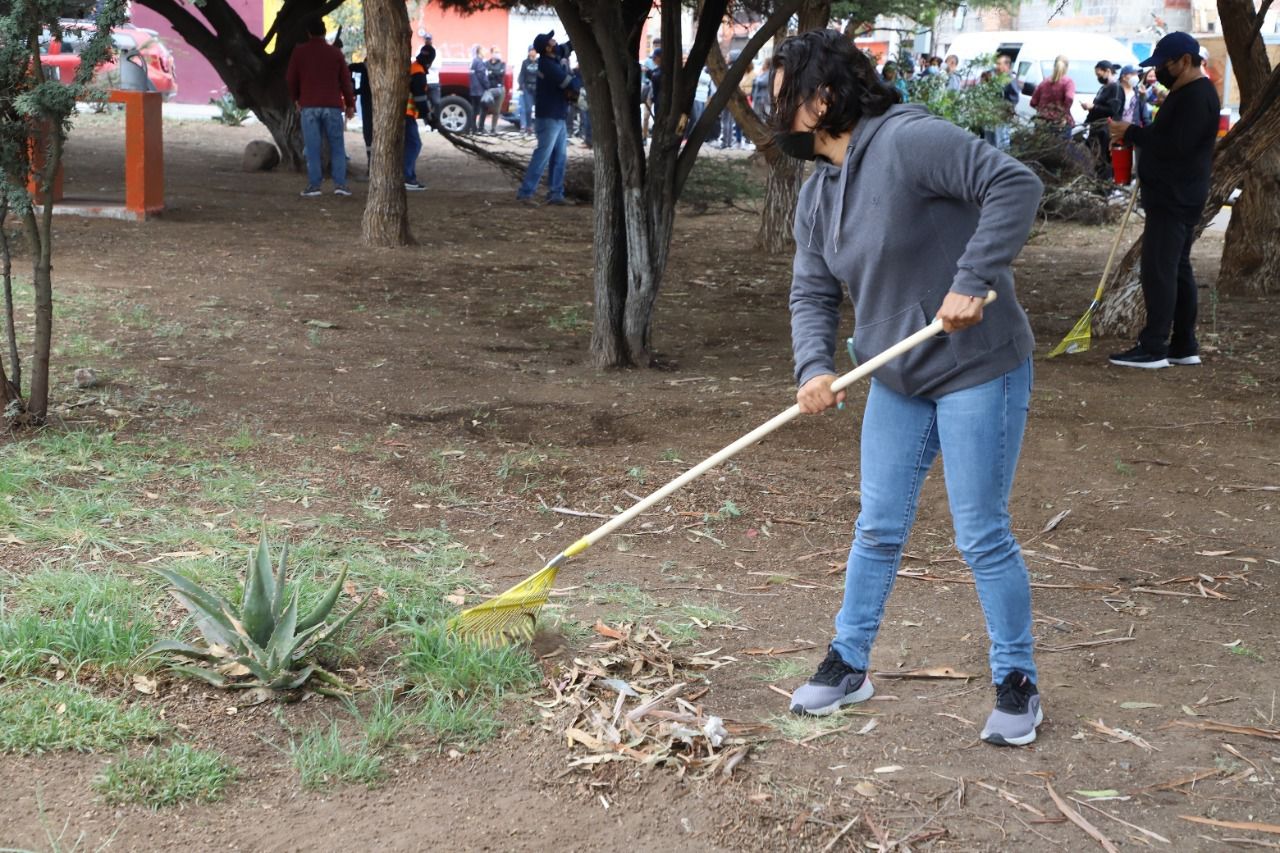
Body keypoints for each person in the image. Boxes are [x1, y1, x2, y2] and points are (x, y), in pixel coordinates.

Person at [771, 29, 1045, 747]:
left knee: (980, 532)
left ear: (821, 98)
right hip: (898, 374)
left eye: (780, 92)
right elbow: (811, 292)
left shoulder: (908, 141)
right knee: (878, 525)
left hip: (977, 364)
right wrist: (814, 369)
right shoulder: (818, 192)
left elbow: (1015, 184)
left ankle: (1017, 681)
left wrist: (971, 279)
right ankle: (849, 664)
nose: (770, 106)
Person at [1106, 32, 1219, 369]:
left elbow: (1174, 146)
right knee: (1176, 267)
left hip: (1175, 196)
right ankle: (1183, 344)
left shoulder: (1196, 96)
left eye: (1164, 65)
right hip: (1176, 193)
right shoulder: (1187, 93)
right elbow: (1170, 139)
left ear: (1185, 61)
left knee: (1160, 269)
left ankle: (1153, 346)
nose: (1160, 73)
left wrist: (1132, 133)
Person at [286, 17, 355, 197]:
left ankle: (314, 185)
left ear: (308, 33)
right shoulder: (335, 53)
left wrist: (296, 99)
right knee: (337, 146)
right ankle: (340, 184)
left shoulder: (299, 52)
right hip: (332, 105)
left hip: (309, 105)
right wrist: (350, 104)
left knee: (312, 147)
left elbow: (291, 79)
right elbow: (346, 81)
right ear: (324, 32)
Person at [516, 30, 575, 206]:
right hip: (549, 117)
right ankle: (526, 193)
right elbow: (569, 83)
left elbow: (568, 46)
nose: (555, 41)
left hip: (558, 115)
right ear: (548, 48)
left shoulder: (552, 57)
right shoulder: (548, 65)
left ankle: (556, 193)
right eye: (551, 40)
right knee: (543, 156)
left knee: (560, 156)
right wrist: (578, 75)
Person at [1083, 60, 1123, 178]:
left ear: (1108, 71)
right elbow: (1096, 110)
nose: (1098, 78)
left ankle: (1104, 184)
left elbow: (1112, 110)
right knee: (1093, 156)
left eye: (1099, 75)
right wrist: (1085, 123)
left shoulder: (1116, 88)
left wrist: (1094, 107)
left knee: (1104, 158)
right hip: (1096, 128)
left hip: (1106, 129)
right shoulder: (1103, 88)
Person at [1030, 55, 1076, 135]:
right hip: (1061, 124)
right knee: (1062, 147)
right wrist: (1063, 114)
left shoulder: (1044, 83)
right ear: (1067, 68)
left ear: (1054, 66)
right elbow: (1069, 98)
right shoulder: (1068, 82)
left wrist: (1043, 110)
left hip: (1042, 122)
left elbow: (1033, 102)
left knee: (1041, 147)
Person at [403, 51, 429, 191]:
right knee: (414, 144)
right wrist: (427, 115)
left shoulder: (413, 67)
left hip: (404, 113)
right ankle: (407, 177)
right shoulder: (418, 72)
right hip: (406, 113)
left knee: (409, 145)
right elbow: (420, 97)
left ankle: (409, 176)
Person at [1118, 64, 1151, 129]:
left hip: (1133, 130)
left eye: (1136, 74)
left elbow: (1145, 115)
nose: (1136, 77)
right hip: (1116, 129)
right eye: (1133, 74)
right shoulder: (1115, 91)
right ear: (1124, 77)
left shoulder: (1139, 92)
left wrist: (1149, 129)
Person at [483, 46, 506, 134]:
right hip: (489, 89)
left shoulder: (502, 64)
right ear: (492, 53)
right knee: (485, 108)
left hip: (499, 89)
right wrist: (495, 72)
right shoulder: (486, 63)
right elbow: (485, 75)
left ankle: (493, 128)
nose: (498, 54)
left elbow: (501, 74)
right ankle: (482, 127)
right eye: (496, 52)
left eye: (499, 52)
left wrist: (491, 72)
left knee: (496, 110)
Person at [518, 46, 539, 134]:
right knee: (528, 109)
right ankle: (528, 126)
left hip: (538, 88)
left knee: (539, 109)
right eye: (531, 50)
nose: (533, 52)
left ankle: (538, 127)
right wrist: (521, 85)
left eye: (534, 50)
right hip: (527, 88)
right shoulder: (525, 62)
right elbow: (521, 75)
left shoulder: (540, 62)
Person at [468, 45, 488, 134]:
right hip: (479, 89)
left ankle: (473, 128)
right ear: (479, 52)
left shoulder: (473, 61)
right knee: (483, 109)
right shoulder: (479, 62)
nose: (485, 52)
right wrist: (487, 85)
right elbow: (482, 76)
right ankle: (481, 128)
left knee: (474, 109)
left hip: (473, 89)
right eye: (484, 50)